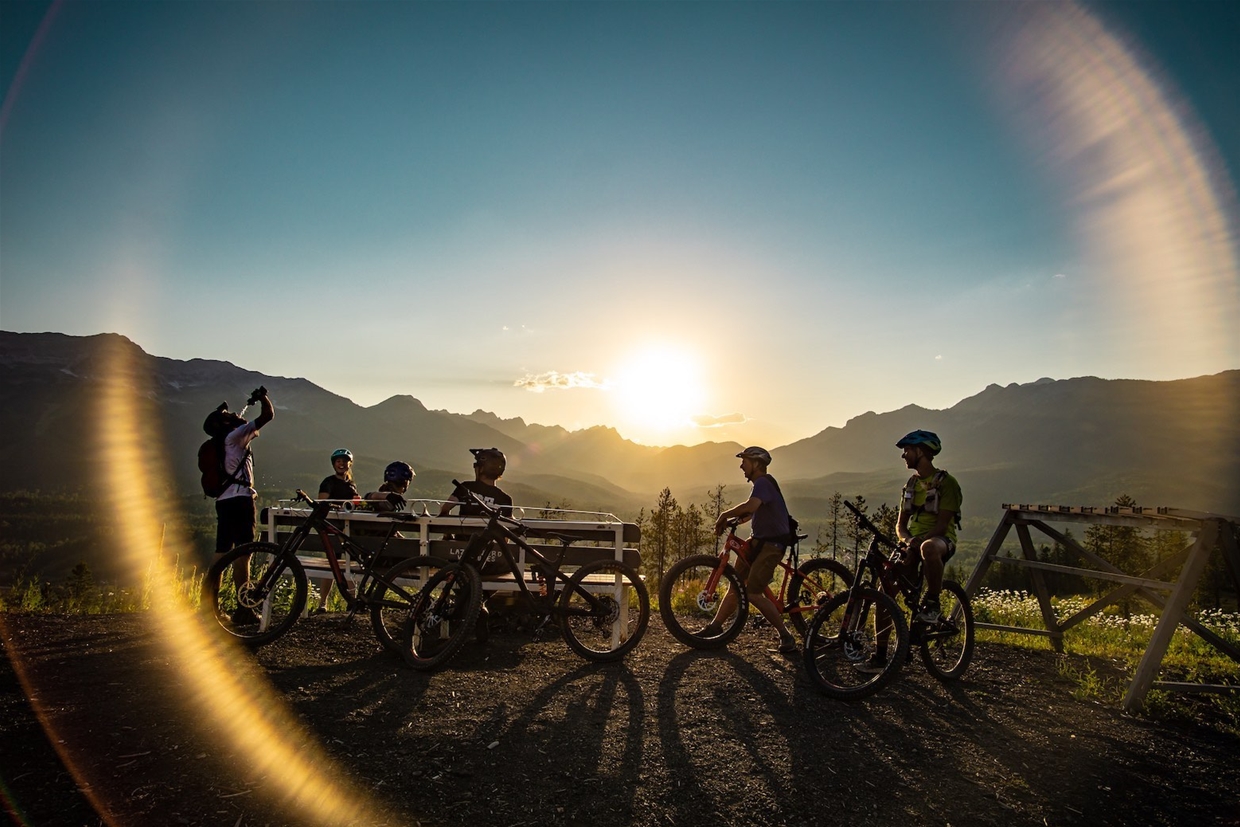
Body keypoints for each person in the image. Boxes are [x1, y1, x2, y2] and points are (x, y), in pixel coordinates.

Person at [858, 429, 963, 673]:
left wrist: (919, 541)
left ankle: (933, 602)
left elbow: (942, 525)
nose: (904, 456)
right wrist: (906, 541)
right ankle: (882, 655)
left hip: (940, 541)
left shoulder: (948, 483)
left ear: (921, 452)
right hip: (912, 544)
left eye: (907, 451)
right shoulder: (912, 484)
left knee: (928, 547)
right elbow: (900, 525)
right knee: (885, 592)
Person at [704, 446, 798, 655]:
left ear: (756, 464)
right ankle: (715, 628)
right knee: (735, 586)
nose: (741, 466)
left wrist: (723, 515)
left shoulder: (763, 482)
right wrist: (734, 521)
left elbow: (751, 506)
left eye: (744, 462)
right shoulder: (761, 485)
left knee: (752, 593)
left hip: (771, 545)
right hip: (758, 542)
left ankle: (786, 636)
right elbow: (751, 513)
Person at [204, 386, 274, 626]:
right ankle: (243, 609)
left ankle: (208, 607)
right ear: (225, 422)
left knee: (221, 553)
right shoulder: (236, 435)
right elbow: (268, 415)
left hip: (224, 501)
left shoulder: (224, 440)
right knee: (243, 555)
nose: (235, 414)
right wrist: (263, 397)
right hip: (241, 501)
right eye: (229, 414)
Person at [312, 449, 361, 614]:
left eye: (344, 461)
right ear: (334, 464)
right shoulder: (329, 482)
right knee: (332, 565)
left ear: (350, 464)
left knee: (347, 565)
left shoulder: (351, 483)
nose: (341, 464)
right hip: (333, 529)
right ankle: (323, 603)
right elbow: (322, 502)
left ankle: (352, 600)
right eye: (338, 461)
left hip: (347, 530)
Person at [438, 447, 512, 518]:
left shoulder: (465, 487)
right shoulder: (505, 499)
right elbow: (511, 523)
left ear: (481, 469)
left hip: (466, 530)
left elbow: (445, 509)